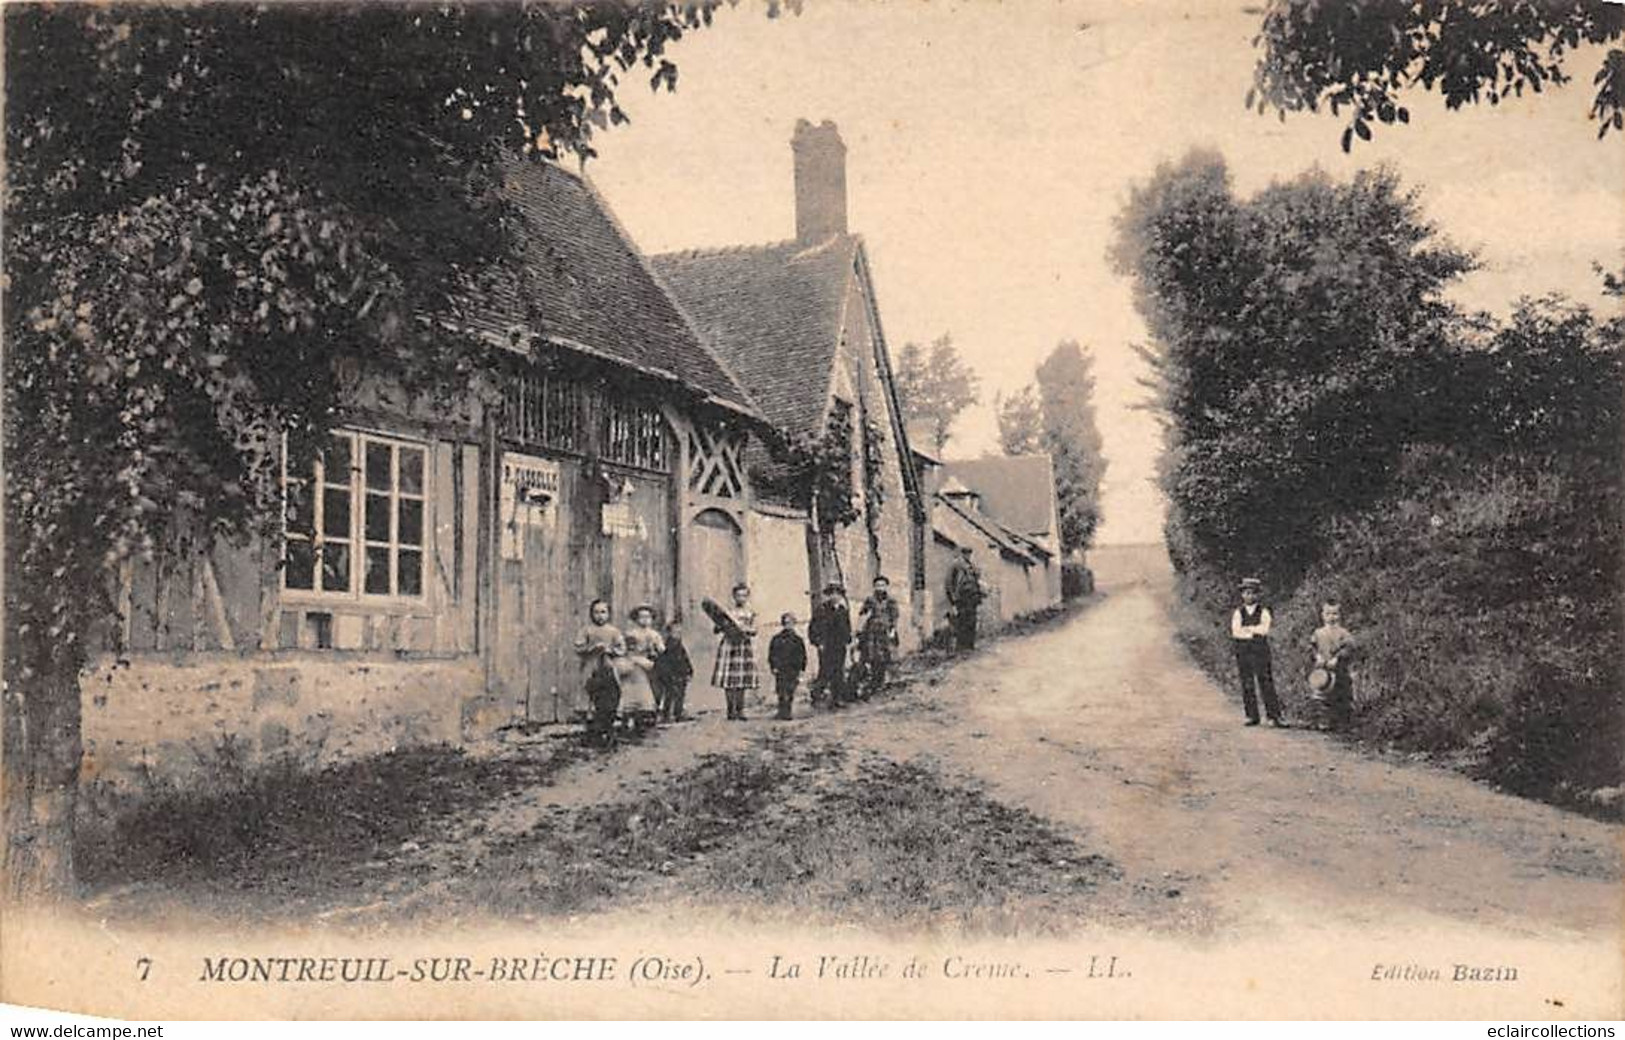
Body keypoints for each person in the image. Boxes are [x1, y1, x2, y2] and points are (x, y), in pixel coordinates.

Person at [1231, 577, 1283, 727]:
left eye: (1253, 593)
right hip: (1243, 650)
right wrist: (1253, 632)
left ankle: (1273, 716)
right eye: (1246, 593)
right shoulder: (1238, 612)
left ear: (1258, 595)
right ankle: (1251, 715)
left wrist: (1248, 630)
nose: (1249, 596)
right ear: (1242, 595)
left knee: (1265, 680)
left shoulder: (1264, 612)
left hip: (1260, 650)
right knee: (1247, 682)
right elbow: (1236, 632)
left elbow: (1264, 630)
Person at [572, 598, 625, 747]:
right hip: (591, 667)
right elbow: (578, 647)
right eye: (596, 612)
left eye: (603, 612)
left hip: (608, 667)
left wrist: (610, 650)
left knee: (609, 697)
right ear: (591, 614)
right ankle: (592, 732)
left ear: (608, 614)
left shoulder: (613, 631)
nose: (600, 616)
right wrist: (592, 648)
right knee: (591, 697)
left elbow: (622, 648)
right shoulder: (586, 630)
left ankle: (608, 731)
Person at [711, 582, 759, 720]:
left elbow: (754, 630)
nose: (741, 598)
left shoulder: (750, 613)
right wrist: (723, 625)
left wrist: (745, 629)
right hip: (729, 646)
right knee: (729, 679)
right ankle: (730, 710)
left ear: (747, 597)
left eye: (744, 596)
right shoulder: (728, 612)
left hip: (743, 646)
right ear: (734, 596)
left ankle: (740, 710)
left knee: (742, 679)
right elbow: (716, 629)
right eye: (738, 595)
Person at [1310, 598, 1358, 732]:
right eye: (1328, 614)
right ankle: (1324, 721)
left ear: (1340, 615)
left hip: (1339, 669)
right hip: (1323, 669)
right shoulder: (1318, 633)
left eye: (1335, 614)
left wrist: (1337, 658)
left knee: (1342, 695)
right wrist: (1317, 656)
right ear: (1322, 615)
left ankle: (1343, 723)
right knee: (1322, 696)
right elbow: (1312, 648)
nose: (1332, 617)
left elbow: (1349, 648)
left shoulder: (1344, 633)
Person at [619, 604, 664, 731]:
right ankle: (629, 715)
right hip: (633, 662)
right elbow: (626, 649)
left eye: (648, 617)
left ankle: (645, 716)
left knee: (650, 688)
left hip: (648, 662)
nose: (645, 620)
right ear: (636, 619)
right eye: (642, 617)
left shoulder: (654, 634)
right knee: (632, 689)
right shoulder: (631, 633)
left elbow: (661, 648)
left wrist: (656, 650)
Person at [855, 575, 900, 700]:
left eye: (882, 585)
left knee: (885, 658)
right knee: (872, 657)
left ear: (886, 587)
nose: (880, 588)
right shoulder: (870, 600)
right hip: (872, 633)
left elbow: (894, 617)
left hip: (885, 632)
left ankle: (883, 682)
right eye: (877, 585)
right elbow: (863, 615)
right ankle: (872, 684)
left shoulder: (891, 601)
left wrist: (892, 630)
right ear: (874, 587)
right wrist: (859, 629)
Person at [807, 581, 852, 708]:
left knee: (839, 671)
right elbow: (814, 627)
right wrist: (818, 642)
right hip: (826, 645)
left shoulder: (843, 610)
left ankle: (836, 699)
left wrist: (848, 640)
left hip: (840, 645)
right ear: (828, 595)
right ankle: (816, 695)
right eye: (831, 594)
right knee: (825, 671)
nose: (834, 596)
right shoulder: (822, 610)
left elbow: (847, 627)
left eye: (837, 594)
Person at [652, 614, 693, 722]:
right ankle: (667, 714)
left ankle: (678, 713)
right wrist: (668, 675)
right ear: (669, 633)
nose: (678, 635)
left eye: (679, 633)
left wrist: (689, 670)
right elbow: (663, 662)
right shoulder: (667, 647)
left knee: (680, 695)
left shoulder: (680, 646)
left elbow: (685, 659)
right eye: (675, 633)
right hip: (671, 675)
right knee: (670, 695)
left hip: (681, 675)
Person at [768, 613, 808, 721]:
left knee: (790, 690)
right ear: (782, 624)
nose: (788, 626)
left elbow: (802, 656)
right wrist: (773, 666)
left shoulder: (798, 640)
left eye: (790, 623)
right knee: (781, 690)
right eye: (786, 623)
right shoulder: (776, 639)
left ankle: (787, 711)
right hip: (781, 669)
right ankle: (781, 711)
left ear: (794, 624)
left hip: (793, 669)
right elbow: (772, 654)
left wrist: (802, 669)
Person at [945, 545, 985, 652]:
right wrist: (952, 598)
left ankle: (970, 645)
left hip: (972, 598)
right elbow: (949, 582)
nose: (968, 555)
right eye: (966, 553)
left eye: (969, 554)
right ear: (962, 553)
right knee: (962, 622)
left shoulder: (972, 566)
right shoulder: (956, 565)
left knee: (971, 621)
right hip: (962, 598)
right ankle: (961, 647)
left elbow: (976, 581)